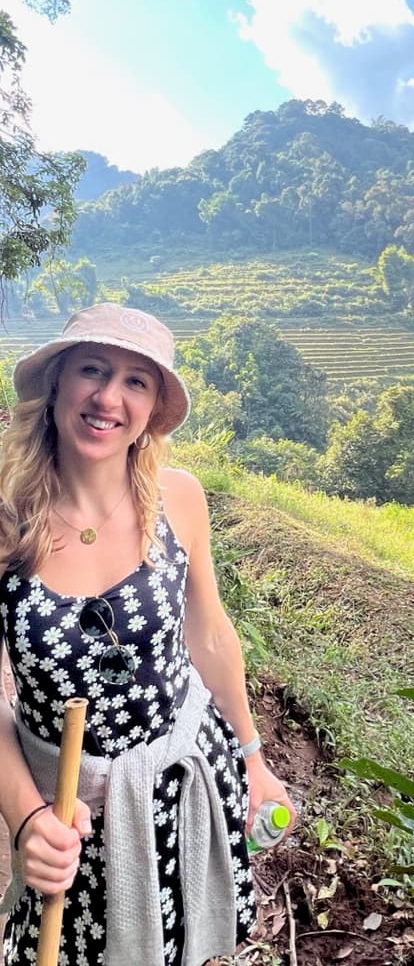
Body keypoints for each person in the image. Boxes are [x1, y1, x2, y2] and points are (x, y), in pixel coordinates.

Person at [0, 303, 295, 964]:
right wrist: (26, 820)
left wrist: (252, 759)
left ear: (152, 408)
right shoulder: (4, 522)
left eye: (136, 382)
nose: (108, 398)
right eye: (93, 371)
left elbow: (210, 634)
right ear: (56, 386)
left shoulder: (178, 499)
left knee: (181, 939)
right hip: (68, 811)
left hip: (182, 778)